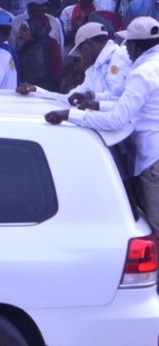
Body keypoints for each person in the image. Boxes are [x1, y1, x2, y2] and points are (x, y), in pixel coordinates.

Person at [45, 16, 159, 232]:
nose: (125, 51)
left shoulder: (142, 73)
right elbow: (125, 102)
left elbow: (117, 119)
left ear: (135, 46)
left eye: (127, 45)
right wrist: (95, 103)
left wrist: (70, 115)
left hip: (153, 158)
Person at [18, 22, 130, 104]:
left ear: (88, 43)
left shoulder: (119, 56)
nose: (81, 55)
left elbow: (116, 98)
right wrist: (37, 90)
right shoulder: (93, 70)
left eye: (80, 50)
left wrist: (89, 97)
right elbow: (69, 97)